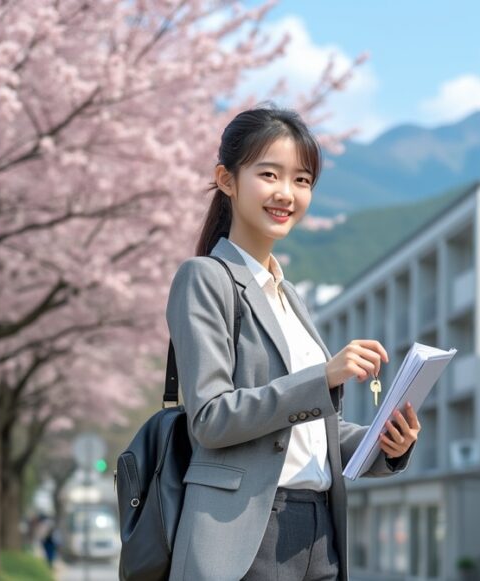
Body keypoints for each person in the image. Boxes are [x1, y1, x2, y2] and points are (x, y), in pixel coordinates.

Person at [166, 105, 421, 581]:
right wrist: (323, 377)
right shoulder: (205, 279)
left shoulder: (291, 299)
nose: (287, 194)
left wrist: (383, 443)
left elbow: (313, 433)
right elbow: (210, 419)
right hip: (244, 534)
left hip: (320, 531)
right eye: (269, 174)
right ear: (226, 179)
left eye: (302, 180)